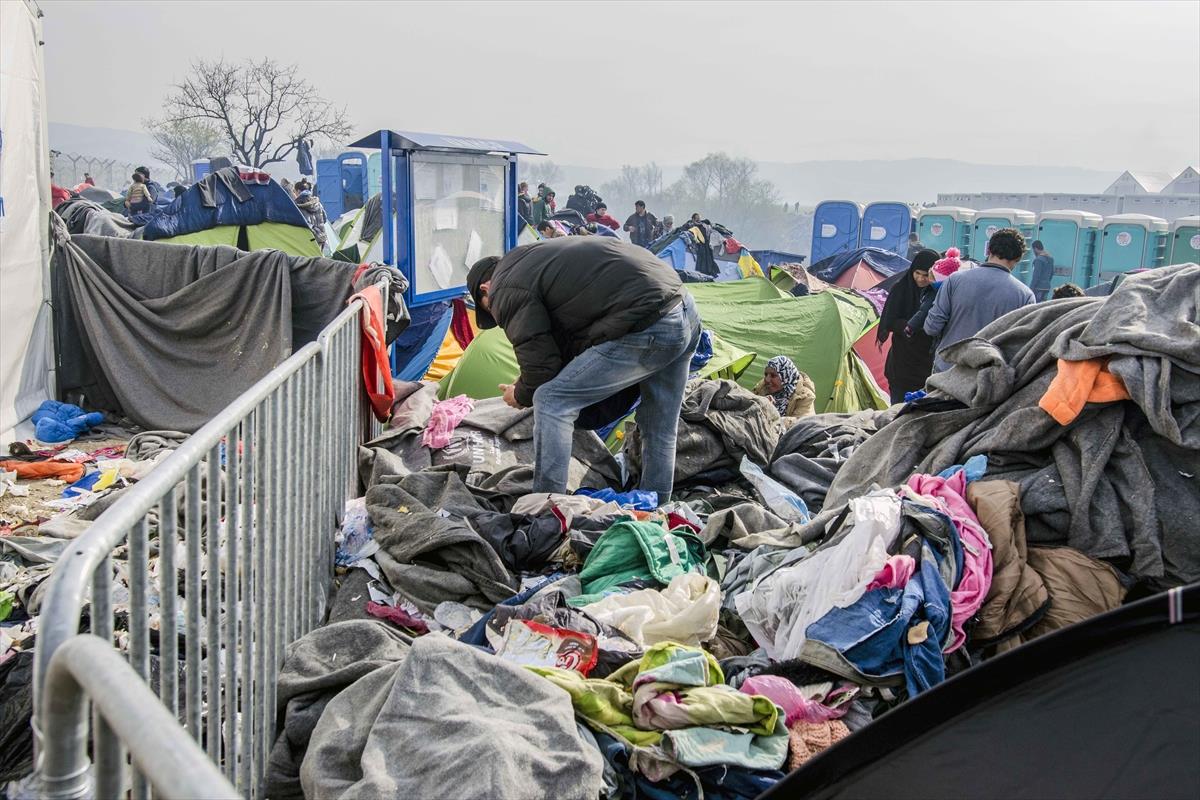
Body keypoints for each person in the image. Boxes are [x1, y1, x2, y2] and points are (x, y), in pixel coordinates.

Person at [466, 237, 701, 498]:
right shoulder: (533, 258)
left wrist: (520, 393)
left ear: (486, 288)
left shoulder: (504, 286)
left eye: (489, 308)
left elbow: (542, 371)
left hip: (650, 322)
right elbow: (561, 346)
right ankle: (656, 509)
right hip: (685, 310)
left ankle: (547, 507)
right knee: (659, 426)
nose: (496, 315)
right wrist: (528, 378)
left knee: (551, 401)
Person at [924, 228, 1035, 372]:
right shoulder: (1025, 295)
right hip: (989, 377)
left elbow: (931, 327)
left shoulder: (955, 280)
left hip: (947, 369)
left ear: (988, 250)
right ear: (1018, 259)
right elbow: (1021, 347)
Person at [877, 249, 939, 403]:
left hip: (926, 363)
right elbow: (889, 321)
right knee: (897, 411)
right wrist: (911, 326)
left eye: (926, 275)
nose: (920, 278)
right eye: (917, 273)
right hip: (902, 363)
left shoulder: (938, 292)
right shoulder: (900, 288)